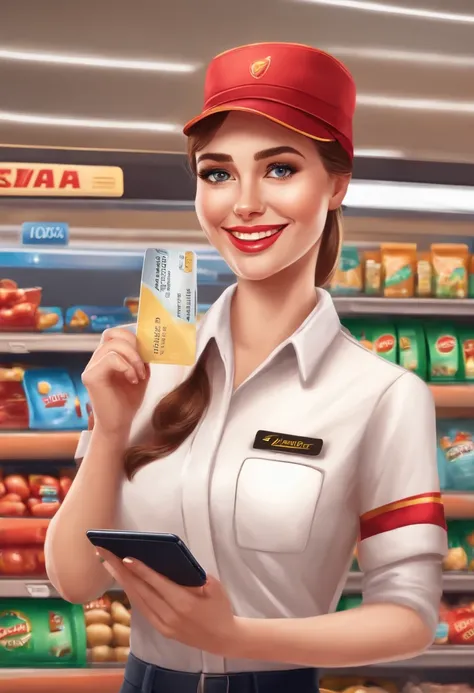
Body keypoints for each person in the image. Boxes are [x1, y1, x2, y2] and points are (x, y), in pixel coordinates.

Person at [45, 43, 447, 693]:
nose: (244, 204)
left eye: (280, 168)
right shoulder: (155, 364)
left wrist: (236, 636)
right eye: (218, 173)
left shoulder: (384, 395)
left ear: (337, 183)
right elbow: (75, 580)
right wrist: (111, 428)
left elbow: (408, 616)